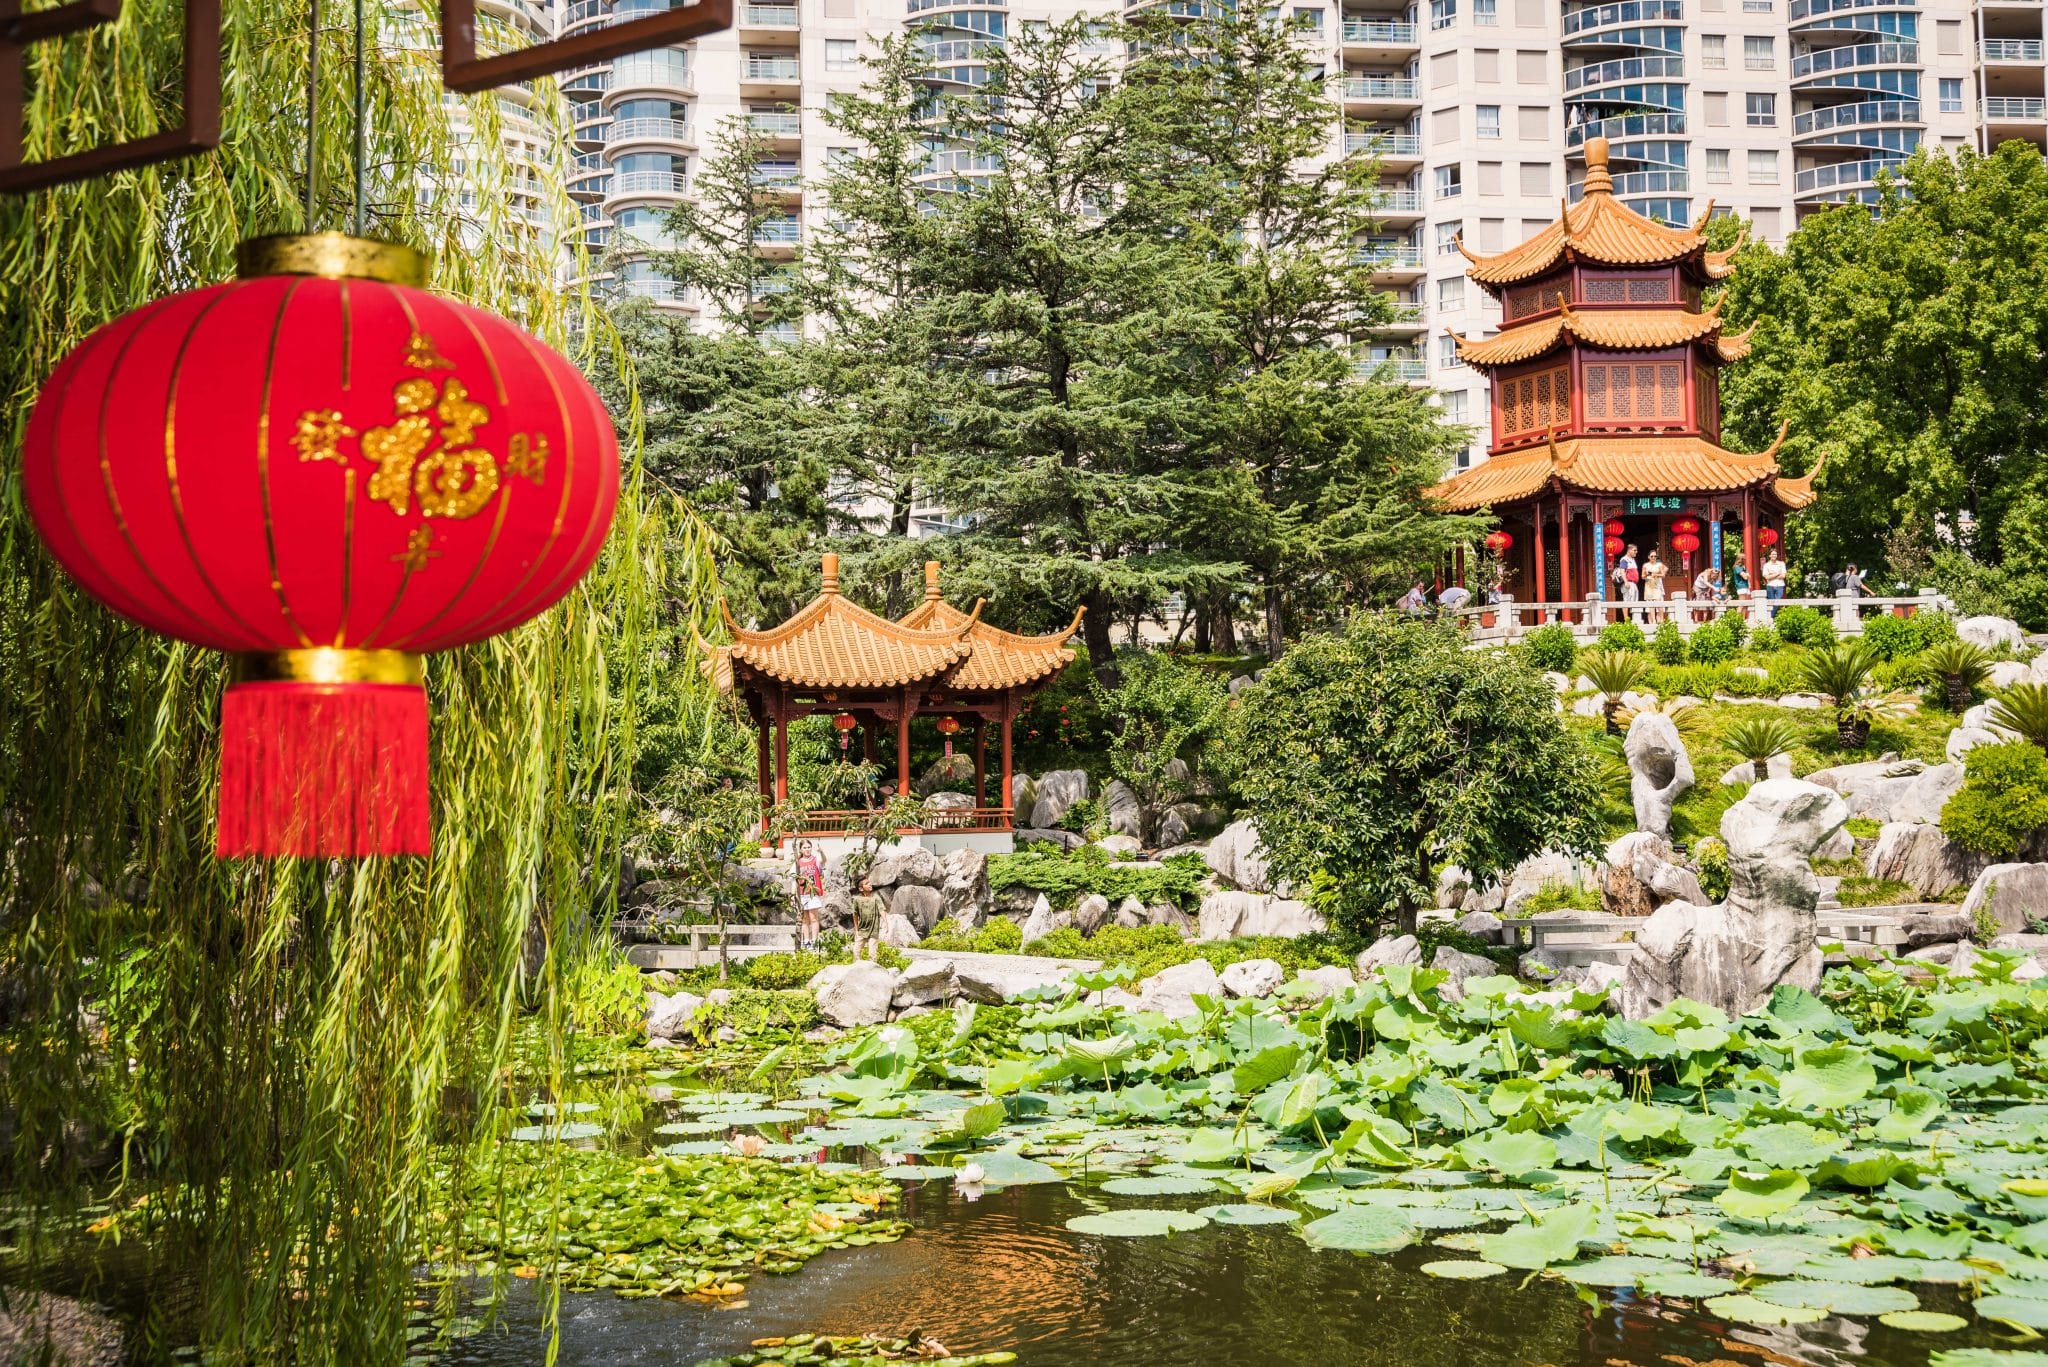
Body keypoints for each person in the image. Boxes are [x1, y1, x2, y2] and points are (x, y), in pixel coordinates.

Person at [794, 839, 825, 950]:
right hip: (802, 893)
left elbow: (823, 862)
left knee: (814, 918)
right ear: (801, 850)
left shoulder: (815, 860)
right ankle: (806, 941)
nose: (807, 849)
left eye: (808, 847)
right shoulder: (798, 862)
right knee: (804, 919)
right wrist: (793, 895)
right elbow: (795, 880)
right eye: (805, 848)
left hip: (813, 892)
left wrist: (821, 851)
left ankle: (815, 941)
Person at [850, 876, 887, 961]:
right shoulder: (857, 900)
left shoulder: (876, 898)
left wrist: (885, 922)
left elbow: (882, 910)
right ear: (861, 889)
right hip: (862, 930)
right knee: (856, 950)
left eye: (869, 882)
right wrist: (856, 930)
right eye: (866, 883)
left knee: (872, 954)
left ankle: (874, 970)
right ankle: (858, 967)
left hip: (873, 930)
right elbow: (855, 915)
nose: (870, 884)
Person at [1640, 550, 1667, 622]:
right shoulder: (1645, 565)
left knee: (1658, 602)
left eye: (1655, 556)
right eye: (1652, 556)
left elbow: (1663, 575)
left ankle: (1661, 620)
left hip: (1657, 585)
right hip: (1649, 584)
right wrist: (1647, 574)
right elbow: (1642, 576)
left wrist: (1656, 575)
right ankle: (1653, 620)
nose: (1653, 557)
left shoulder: (1659, 565)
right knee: (1651, 602)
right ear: (1648, 557)